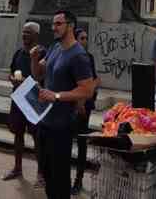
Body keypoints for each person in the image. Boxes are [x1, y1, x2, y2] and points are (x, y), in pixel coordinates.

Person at [31, 10, 95, 199]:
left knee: (59, 177)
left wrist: (56, 96)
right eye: (53, 24)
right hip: (45, 120)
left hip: (62, 124)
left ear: (71, 26)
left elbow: (87, 90)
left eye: (59, 23)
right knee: (47, 173)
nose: (54, 27)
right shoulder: (55, 47)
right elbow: (39, 74)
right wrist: (33, 59)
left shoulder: (78, 55)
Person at [2, 22, 46, 186]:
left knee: (37, 138)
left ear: (36, 35)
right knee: (18, 134)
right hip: (18, 99)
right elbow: (12, 71)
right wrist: (12, 79)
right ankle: (17, 168)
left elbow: (42, 77)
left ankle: (41, 173)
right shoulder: (19, 53)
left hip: (34, 100)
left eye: (28, 32)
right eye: (23, 32)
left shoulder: (42, 53)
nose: (24, 35)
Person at [71, 27, 100, 196]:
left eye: (86, 38)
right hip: (70, 105)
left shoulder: (89, 57)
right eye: (81, 38)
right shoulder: (68, 56)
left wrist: (84, 100)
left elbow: (95, 80)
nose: (85, 41)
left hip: (84, 108)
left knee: (81, 143)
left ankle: (78, 180)